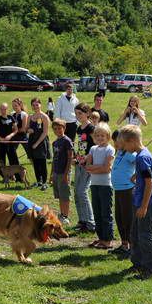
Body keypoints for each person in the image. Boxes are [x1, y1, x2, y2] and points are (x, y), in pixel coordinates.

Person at [119, 124, 152, 279]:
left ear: (132, 141)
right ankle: (138, 264)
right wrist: (137, 176)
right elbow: (147, 174)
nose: (123, 147)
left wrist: (144, 206)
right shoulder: (142, 154)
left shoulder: (142, 157)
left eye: (124, 144)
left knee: (145, 236)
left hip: (147, 203)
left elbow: (150, 184)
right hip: (139, 201)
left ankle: (151, 270)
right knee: (135, 234)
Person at [85, 122, 115, 249]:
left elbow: (107, 169)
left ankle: (107, 240)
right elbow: (87, 166)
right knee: (97, 212)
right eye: (97, 136)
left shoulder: (110, 149)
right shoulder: (92, 149)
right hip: (94, 184)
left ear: (108, 136)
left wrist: (94, 168)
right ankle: (101, 237)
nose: (100, 138)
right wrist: (98, 167)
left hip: (105, 185)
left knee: (105, 213)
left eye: (103, 136)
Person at [109, 129, 136, 259]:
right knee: (119, 217)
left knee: (127, 218)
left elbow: (142, 163)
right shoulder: (119, 152)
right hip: (118, 189)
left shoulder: (130, 154)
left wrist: (135, 176)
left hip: (127, 189)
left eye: (117, 141)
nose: (115, 144)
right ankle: (124, 244)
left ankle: (132, 247)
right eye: (114, 141)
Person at [73, 103, 96, 233]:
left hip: (88, 164)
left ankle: (91, 223)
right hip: (79, 163)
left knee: (82, 191)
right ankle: (82, 220)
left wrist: (87, 158)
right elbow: (81, 145)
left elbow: (96, 146)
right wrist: (77, 156)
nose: (78, 116)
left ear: (87, 113)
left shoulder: (91, 128)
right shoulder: (79, 129)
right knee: (77, 192)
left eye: (80, 113)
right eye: (76, 114)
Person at [49, 119, 72, 224]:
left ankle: (66, 215)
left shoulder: (67, 141)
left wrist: (66, 174)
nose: (57, 130)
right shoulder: (55, 143)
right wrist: (51, 174)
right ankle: (62, 214)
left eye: (59, 128)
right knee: (59, 195)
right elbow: (54, 159)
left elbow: (70, 158)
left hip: (64, 172)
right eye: (55, 129)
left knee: (65, 196)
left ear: (64, 128)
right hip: (56, 172)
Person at [27, 97, 50, 189]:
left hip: (41, 142)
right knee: (35, 161)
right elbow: (26, 128)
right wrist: (29, 130)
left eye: (37, 104)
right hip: (32, 141)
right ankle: (38, 181)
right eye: (33, 105)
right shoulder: (30, 117)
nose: (35, 106)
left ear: (40, 105)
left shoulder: (44, 117)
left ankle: (44, 182)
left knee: (42, 162)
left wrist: (37, 143)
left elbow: (45, 132)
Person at [0, 103, 19, 170]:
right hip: (0, 143)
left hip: (10, 142)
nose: (3, 111)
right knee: (1, 160)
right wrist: (0, 138)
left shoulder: (11, 117)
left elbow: (16, 130)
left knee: (13, 159)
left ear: (7, 109)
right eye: (1, 109)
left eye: (4, 109)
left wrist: (10, 136)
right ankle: (4, 177)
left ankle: (17, 176)